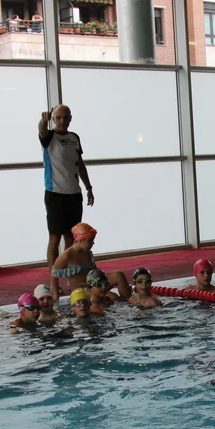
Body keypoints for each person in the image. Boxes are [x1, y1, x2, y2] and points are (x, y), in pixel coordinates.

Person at [40, 105, 94, 278]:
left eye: (65, 117)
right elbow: (41, 130)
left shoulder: (74, 137)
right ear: (53, 119)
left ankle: (71, 276)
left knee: (71, 238)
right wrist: (43, 120)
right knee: (54, 238)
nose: (62, 121)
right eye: (58, 117)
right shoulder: (49, 136)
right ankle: (54, 278)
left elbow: (80, 164)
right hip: (55, 193)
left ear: (70, 118)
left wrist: (88, 187)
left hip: (74, 193)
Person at [50, 223, 130, 300]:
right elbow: (54, 275)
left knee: (118, 275)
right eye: (90, 241)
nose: (93, 243)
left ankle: (129, 301)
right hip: (82, 289)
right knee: (112, 297)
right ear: (81, 240)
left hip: (96, 284)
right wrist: (56, 295)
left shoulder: (87, 252)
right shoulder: (66, 256)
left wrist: (103, 280)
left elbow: (95, 271)